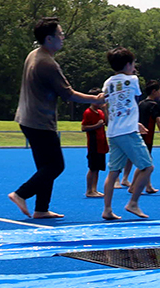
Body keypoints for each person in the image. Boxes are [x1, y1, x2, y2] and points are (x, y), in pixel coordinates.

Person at [8, 17, 104, 219]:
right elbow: (68, 94)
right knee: (55, 166)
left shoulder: (34, 55)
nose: (63, 37)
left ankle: (41, 209)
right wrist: (95, 98)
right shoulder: (47, 63)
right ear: (49, 39)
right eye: (60, 34)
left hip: (28, 118)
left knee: (45, 167)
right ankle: (21, 194)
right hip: (39, 122)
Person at [100, 47, 153, 220]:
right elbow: (134, 99)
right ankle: (133, 202)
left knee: (113, 171)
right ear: (129, 64)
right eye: (133, 63)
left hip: (114, 132)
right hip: (128, 132)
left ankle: (107, 209)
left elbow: (112, 104)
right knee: (147, 166)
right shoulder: (133, 80)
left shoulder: (108, 82)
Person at [122, 80, 160, 194]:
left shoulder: (141, 104)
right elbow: (159, 123)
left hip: (137, 135)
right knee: (145, 163)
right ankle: (133, 186)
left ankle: (148, 186)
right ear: (154, 91)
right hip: (147, 137)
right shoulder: (153, 106)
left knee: (146, 161)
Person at [80, 90, 108, 198]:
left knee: (98, 168)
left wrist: (105, 110)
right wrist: (96, 125)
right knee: (92, 168)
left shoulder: (100, 112)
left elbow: (107, 122)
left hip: (101, 144)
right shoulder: (88, 112)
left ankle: (94, 189)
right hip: (93, 144)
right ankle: (89, 190)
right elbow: (83, 128)